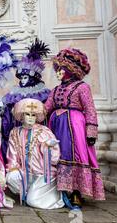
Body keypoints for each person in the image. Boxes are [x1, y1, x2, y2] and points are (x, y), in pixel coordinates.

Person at [45, 47, 105, 208]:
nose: (58, 72)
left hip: (74, 127)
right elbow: (46, 108)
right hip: (56, 127)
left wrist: (91, 131)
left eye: (61, 69)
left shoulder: (82, 87)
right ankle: (60, 191)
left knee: (76, 156)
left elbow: (90, 109)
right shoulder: (55, 90)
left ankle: (76, 194)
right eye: (57, 69)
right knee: (58, 156)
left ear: (71, 70)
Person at [5, 98, 64, 209]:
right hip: (24, 172)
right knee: (10, 177)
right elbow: (12, 155)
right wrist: (14, 168)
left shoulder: (44, 131)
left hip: (42, 173)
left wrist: (47, 147)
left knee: (33, 201)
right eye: (28, 114)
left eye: (33, 115)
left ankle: (40, 195)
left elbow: (55, 159)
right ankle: (28, 192)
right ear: (22, 116)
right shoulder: (15, 132)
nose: (31, 118)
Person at [0, 38, 50, 160]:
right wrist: (3, 107)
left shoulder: (42, 93)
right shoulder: (14, 93)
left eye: (25, 78)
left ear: (32, 78)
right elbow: (7, 114)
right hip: (18, 131)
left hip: (35, 133)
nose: (22, 81)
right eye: (21, 78)